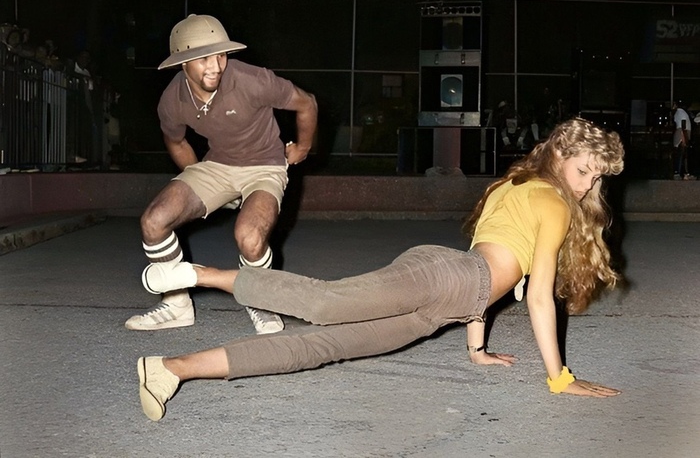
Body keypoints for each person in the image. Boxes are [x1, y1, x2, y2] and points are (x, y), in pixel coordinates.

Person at [136, 117, 624, 421]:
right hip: (444, 278)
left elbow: (491, 270)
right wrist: (560, 378)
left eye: (596, 177)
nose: (587, 185)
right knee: (325, 303)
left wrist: (476, 349)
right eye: (583, 170)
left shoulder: (513, 187)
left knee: (320, 348)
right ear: (558, 154)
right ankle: (201, 275)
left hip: (442, 305)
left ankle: (170, 369)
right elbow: (537, 295)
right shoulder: (552, 203)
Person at [124, 14, 318, 334]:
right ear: (183, 63)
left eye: (220, 55)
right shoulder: (172, 100)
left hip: (265, 165)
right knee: (154, 221)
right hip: (217, 166)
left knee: (250, 238)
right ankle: (176, 304)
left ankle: (259, 301)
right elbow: (176, 141)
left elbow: (306, 102)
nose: (215, 66)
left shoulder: (252, 80)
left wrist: (302, 148)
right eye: (203, 59)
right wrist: (199, 187)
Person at [671, 100, 696, 180]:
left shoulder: (680, 112)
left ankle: (684, 173)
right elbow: (683, 126)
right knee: (681, 154)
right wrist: (684, 138)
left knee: (683, 155)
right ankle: (678, 173)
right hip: (681, 135)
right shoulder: (681, 112)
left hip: (682, 134)